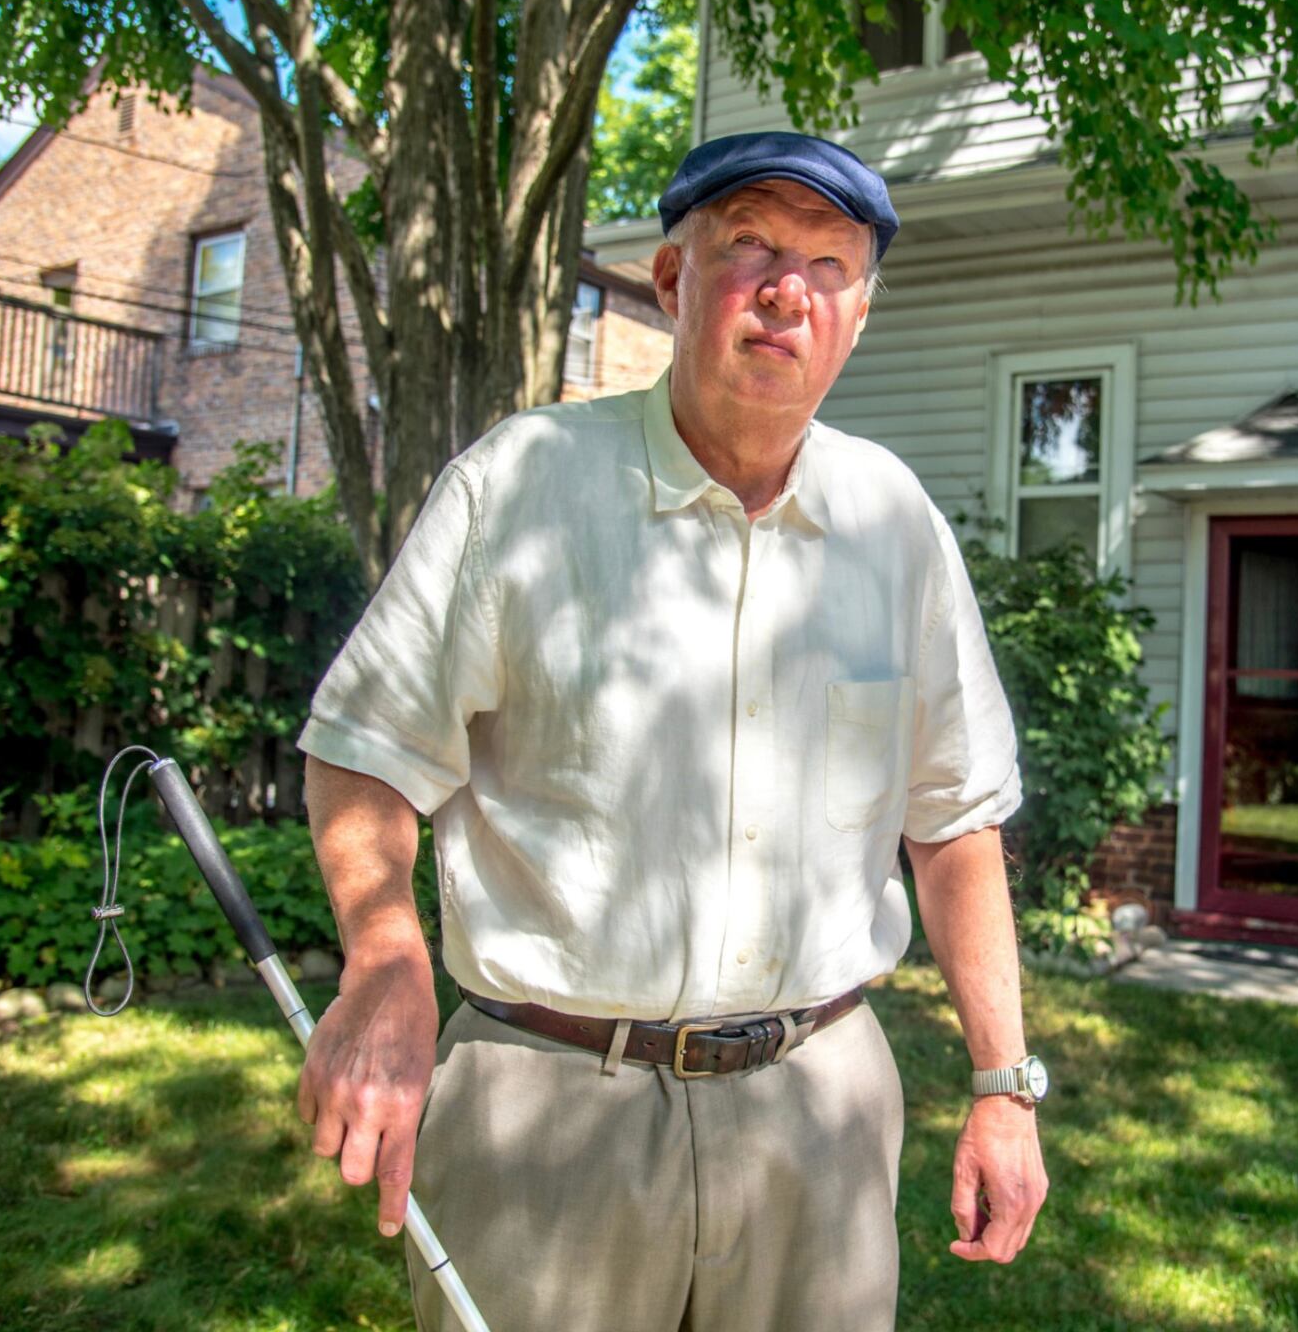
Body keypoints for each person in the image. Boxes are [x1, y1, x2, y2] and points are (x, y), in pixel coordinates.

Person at [292, 131, 1050, 1332]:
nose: (784, 288)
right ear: (670, 278)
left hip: (823, 1110)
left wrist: (1006, 1088)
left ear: (858, 313)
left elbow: (954, 821)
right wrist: (386, 955)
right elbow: (365, 746)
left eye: (828, 265)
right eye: (748, 245)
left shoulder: (895, 526)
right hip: (550, 1109)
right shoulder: (522, 488)